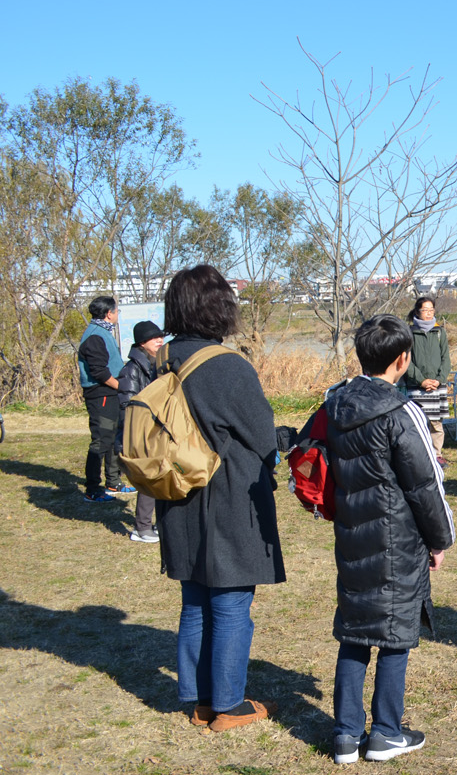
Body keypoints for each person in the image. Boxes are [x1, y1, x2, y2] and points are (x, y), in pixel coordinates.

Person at [158, 265, 286, 732]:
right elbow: (260, 435)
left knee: (195, 601)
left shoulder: (164, 358)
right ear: (221, 309)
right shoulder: (227, 365)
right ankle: (229, 706)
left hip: (177, 494)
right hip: (227, 497)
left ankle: (199, 700)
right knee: (231, 604)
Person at [327, 314, 456, 763]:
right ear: (403, 361)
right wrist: (440, 541)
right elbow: (425, 486)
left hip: (352, 535)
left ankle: (345, 735)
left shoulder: (335, 403)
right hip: (398, 540)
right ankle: (384, 732)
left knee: (355, 631)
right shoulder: (403, 413)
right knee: (395, 635)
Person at [115, 320, 166, 543]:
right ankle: (141, 529)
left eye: (161, 337)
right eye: (154, 338)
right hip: (140, 434)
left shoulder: (158, 364)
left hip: (157, 430)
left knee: (163, 475)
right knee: (148, 478)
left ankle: (157, 524)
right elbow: (127, 407)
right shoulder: (131, 369)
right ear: (142, 342)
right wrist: (141, 433)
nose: (160, 341)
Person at [77, 295, 130, 501]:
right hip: (101, 395)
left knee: (114, 438)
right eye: (117, 311)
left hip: (110, 394)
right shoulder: (95, 336)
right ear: (109, 314)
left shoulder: (102, 333)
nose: (118, 314)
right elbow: (99, 372)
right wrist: (122, 387)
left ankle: (113, 482)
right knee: (101, 440)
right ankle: (93, 489)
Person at [402, 296, 452, 466]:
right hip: (417, 387)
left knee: (437, 423)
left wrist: (439, 380)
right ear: (417, 311)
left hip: (437, 386)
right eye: (425, 310)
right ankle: (420, 456)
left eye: (431, 310)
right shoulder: (408, 333)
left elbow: (446, 359)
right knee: (417, 422)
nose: (429, 313)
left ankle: (437, 454)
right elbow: (406, 361)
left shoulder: (439, 332)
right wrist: (421, 380)